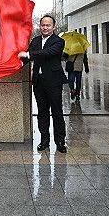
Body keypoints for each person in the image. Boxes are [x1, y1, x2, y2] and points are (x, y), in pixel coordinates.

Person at [18, 15, 68, 153]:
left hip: (53, 83)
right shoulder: (35, 41)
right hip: (39, 83)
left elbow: (47, 53)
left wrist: (28, 55)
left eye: (48, 25)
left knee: (57, 112)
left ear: (53, 26)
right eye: (43, 25)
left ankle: (60, 141)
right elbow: (27, 57)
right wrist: (16, 65)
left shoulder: (59, 41)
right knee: (42, 113)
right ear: (39, 26)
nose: (45, 28)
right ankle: (44, 140)